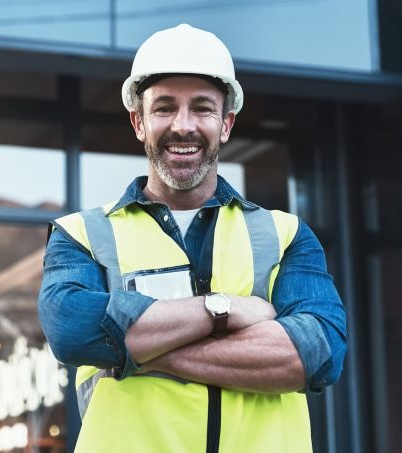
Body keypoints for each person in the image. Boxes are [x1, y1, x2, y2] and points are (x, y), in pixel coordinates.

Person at [38, 24, 347, 453]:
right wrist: (226, 310)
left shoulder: (285, 236)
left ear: (225, 124)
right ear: (138, 122)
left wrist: (131, 350)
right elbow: (72, 331)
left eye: (202, 108)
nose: (183, 126)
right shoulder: (82, 236)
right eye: (164, 108)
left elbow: (317, 353)